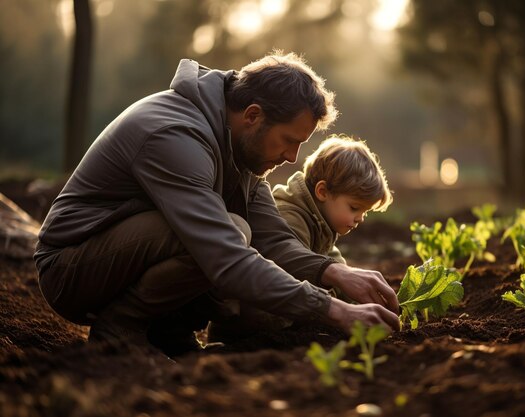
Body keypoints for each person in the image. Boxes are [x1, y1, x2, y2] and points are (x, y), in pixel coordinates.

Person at [34, 51, 400, 356]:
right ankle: (118, 331)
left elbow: (274, 238)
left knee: (241, 229)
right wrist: (332, 309)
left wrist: (334, 272)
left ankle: (169, 337)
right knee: (232, 232)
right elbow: (224, 258)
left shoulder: (239, 149)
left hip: (121, 254)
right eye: (288, 140)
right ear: (253, 115)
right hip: (71, 269)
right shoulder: (176, 137)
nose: (292, 157)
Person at [272, 135, 392, 267]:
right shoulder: (291, 219)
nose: (360, 219)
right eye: (354, 208)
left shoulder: (322, 222)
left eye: (365, 212)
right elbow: (296, 268)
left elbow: (332, 261)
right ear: (322, 192)